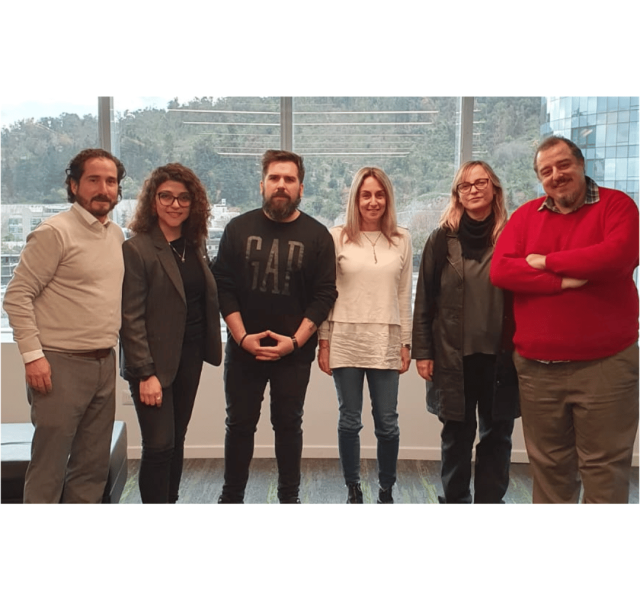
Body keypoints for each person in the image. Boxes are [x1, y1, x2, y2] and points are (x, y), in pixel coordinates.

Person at [491, 135, 639, 504]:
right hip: (537, 371)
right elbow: (502, 271)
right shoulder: (526, 216)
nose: (556, 175)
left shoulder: (617, 206)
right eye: (546, 171)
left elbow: (617, 257)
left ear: (581, 164)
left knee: (604, 470)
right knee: (549, 470)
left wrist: (544, 261)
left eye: (563, 165)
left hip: (605, 367)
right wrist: (563, 281)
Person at [212, 149, 338, 504]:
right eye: (274, 178)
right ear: (262, 184)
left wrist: (295, 342)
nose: (281, 185)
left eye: (289, 179)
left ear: (301, 188)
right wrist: (241, 337)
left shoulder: (317, 235)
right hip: (244, 350)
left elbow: (324, 295)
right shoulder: (238, 229)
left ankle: (289, 499)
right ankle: (230, 499)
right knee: (239, 426)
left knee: (288, 426)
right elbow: (223, 286)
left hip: (293, 354)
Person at [3, 148, 126, 503]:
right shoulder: (54, 232)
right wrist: (33, 357)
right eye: (93, 180)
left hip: (104, 362)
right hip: (58, 365)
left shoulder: (116, 234)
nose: (103, 189)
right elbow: (17, 296)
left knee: (92, 468)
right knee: (49, 467)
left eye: (111, 181)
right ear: (73, 185)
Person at [412, 161, 519, 504]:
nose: (473, 190)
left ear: (494, 188)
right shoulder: (441, 239)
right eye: (465, 185)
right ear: (457, 194)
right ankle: (455, 503)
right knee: (456, 436)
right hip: (452, 357)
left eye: (480, 183)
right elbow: (424, 299)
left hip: (502, 358)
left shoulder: (511, 236)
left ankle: (489, 503)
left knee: (497, 436)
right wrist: (423, 353)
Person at [120, 163, 222, 503]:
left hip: (190, 357)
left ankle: (170, 503)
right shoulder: (137, 249)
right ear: (153, 201)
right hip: (153, 364)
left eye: (183, 198)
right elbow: (130, 318)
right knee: (159, 444)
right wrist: (144, 373)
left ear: (194, 204)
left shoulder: (194, 244)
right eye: (166, 196)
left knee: (176, 440)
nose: (175, 204)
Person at [317, 167, 411, 504]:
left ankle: (386, 489)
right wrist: (324, 341)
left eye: (379, 194)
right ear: (355, 199)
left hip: (386, 339)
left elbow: (404, 294)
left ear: (388, 198)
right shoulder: (337, 237)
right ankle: (353, 488)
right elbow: (327, 293)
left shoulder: (402, 238)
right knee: (349, 421)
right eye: (366, 195)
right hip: (345, 338)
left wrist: (406, 342)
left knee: (387, 422)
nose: (373, 202)